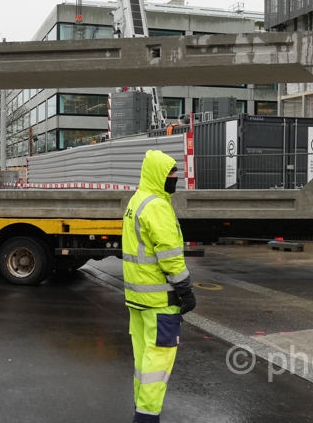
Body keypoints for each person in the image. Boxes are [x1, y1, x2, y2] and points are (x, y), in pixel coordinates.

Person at [122, 150, 196, 423]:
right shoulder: (157, 207)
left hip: (137, 299)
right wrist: (185, 289)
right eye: (171, 174)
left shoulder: (137, 201)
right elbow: (170, 255)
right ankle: (147, 417)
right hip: (159, 302)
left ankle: (140, 410)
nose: (175, 178)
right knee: (159, 362)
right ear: (158, 175)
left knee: (144, 361)